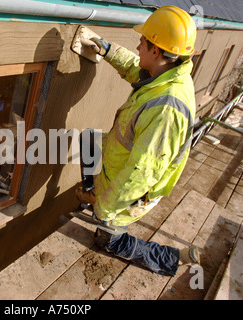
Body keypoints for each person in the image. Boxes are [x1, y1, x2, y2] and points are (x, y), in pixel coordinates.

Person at [75, 5, 200, 276]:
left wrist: (104, 208)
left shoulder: (167, 109)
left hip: (132, 189)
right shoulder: (169, 74)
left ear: (157, 51)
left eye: (142, 42)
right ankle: (93, 192)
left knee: (109, 241)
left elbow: (139, 175)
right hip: (120, 162)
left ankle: (174, 258)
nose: (138, 44)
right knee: (88, 139)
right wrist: (107, 50)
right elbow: (137, 70)